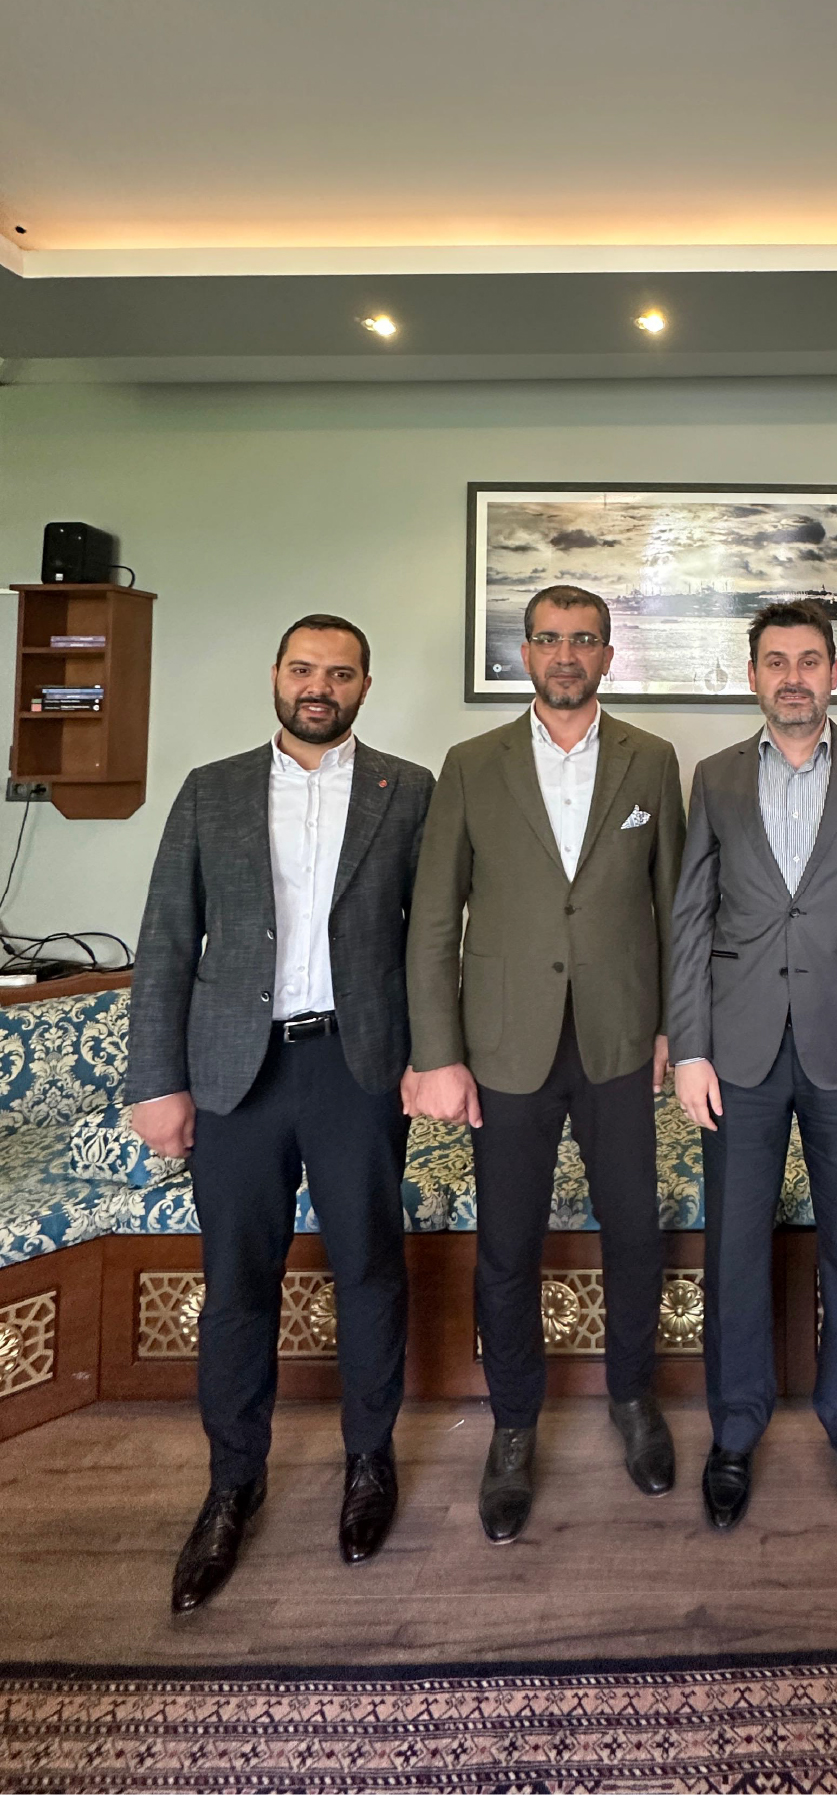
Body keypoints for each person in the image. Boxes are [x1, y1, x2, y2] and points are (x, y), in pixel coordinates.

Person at [127, 615, 434, 1611]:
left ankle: (369, 1461)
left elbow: (429, 940)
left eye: (339, 673)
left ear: (364, 686)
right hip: (235, 1073)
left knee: (369, 1268)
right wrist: (155, 1081)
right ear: (276, 675)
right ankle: (232, 1483)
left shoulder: (408, 789)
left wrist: (434, 1058)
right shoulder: (210, 790)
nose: (319, 686)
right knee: (236, 1283)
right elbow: (166, 940)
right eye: (304, 668)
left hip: (357, 1067)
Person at [406, 584, 686, 1543]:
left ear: (608, 655)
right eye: (549, 639)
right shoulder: (470, 764)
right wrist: (438, 1051)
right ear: (524, 653)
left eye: (585, 640)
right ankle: (514, 1424)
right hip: (503, 1042)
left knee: (635, 1232)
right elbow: (434, 918)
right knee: (507, 1243)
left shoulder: (652, 759)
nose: (566, 654)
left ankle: (633, 1398)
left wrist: (674, 1028)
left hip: (619, 1036)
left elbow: (676, 909)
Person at [670, 599, 837, 1538]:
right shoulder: (715, 777)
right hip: (735, 1050)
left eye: (808, 659)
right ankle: (733, 1432)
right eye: (775, 661)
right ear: (752, 676)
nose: (792, 676)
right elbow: (690, 919)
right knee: (733, 1251)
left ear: (833, 673)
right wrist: (688, 1047)